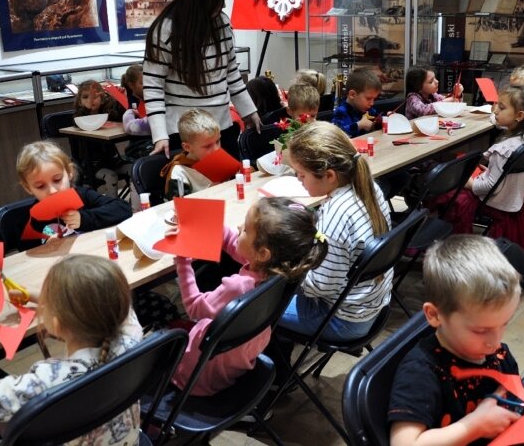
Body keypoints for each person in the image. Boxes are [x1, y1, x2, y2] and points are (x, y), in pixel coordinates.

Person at [0, 255, 143, 445]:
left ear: (56, 325)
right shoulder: (132, 339)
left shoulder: (48, 382)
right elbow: (111, 305)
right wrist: (43, 299)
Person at [388, 235, 524, 446]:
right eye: (481, 330)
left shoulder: (499, 355)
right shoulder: (421, 372)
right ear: (435, 315)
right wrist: (474, 426)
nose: (494, 342)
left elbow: (506, 401)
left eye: (504, 324)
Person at [171, 197, 327, 396]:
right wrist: (205, 223)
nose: (238, 228)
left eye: (244, 229)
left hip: (197, 375)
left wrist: (183, 261)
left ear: (262, 253)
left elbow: (194, 307)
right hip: (235, 363)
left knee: (166, 329)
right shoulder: (280, 270)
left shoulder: (238, 287)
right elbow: (233, 244)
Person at [278, 122, 391, 340]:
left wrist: (285, 264)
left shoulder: (335, 215)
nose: (299, 182)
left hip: (343, 319)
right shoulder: (369, 188)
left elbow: (319, 287)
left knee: (252, 311)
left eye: (301, 175)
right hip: (373, 305)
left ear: (329, 176)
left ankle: (275, 369)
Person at [144, 0, 258, 159]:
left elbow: (231, 73)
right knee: (193, 188)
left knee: (230, 184)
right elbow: (153, 86)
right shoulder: (165, 29)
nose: (223, 4)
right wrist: (159, 135)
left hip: (221, 127)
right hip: (184, 133)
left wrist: (249, 111)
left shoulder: (222, 22)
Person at [440, 83, 524, 264]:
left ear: (520, 116)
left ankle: (450, 249)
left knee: (448, 194)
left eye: (502, 107)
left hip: (496, 200)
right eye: (496, 104)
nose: (495, 110)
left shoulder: (504, 149)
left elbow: (489, 187)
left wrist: (467, 182)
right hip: (513, 197)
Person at [15, 141, 131, 251]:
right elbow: (25, 256)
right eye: (40, 186)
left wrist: (84, 219)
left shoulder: (83, 195)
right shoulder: (31, 218)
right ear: (28, 187)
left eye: (57, 179)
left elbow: (123, 208)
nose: (52, 191)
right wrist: (45, 247)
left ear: (69, 172)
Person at [158, 109, 221, 200]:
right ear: (187, 147)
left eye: (218, 141)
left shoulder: (218, 158)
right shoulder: (179, 172)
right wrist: (209, 192)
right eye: (207, 146)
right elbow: (179, 207)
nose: (216, 149)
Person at [331, 67, 381, 137]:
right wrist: (359, 125)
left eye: (374, 99)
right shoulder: (341, 111)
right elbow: (335, 135)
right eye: (368, 98)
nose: (372, 103)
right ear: (352, 94)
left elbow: (378, 119)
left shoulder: (368, 110)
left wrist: (386, 119)